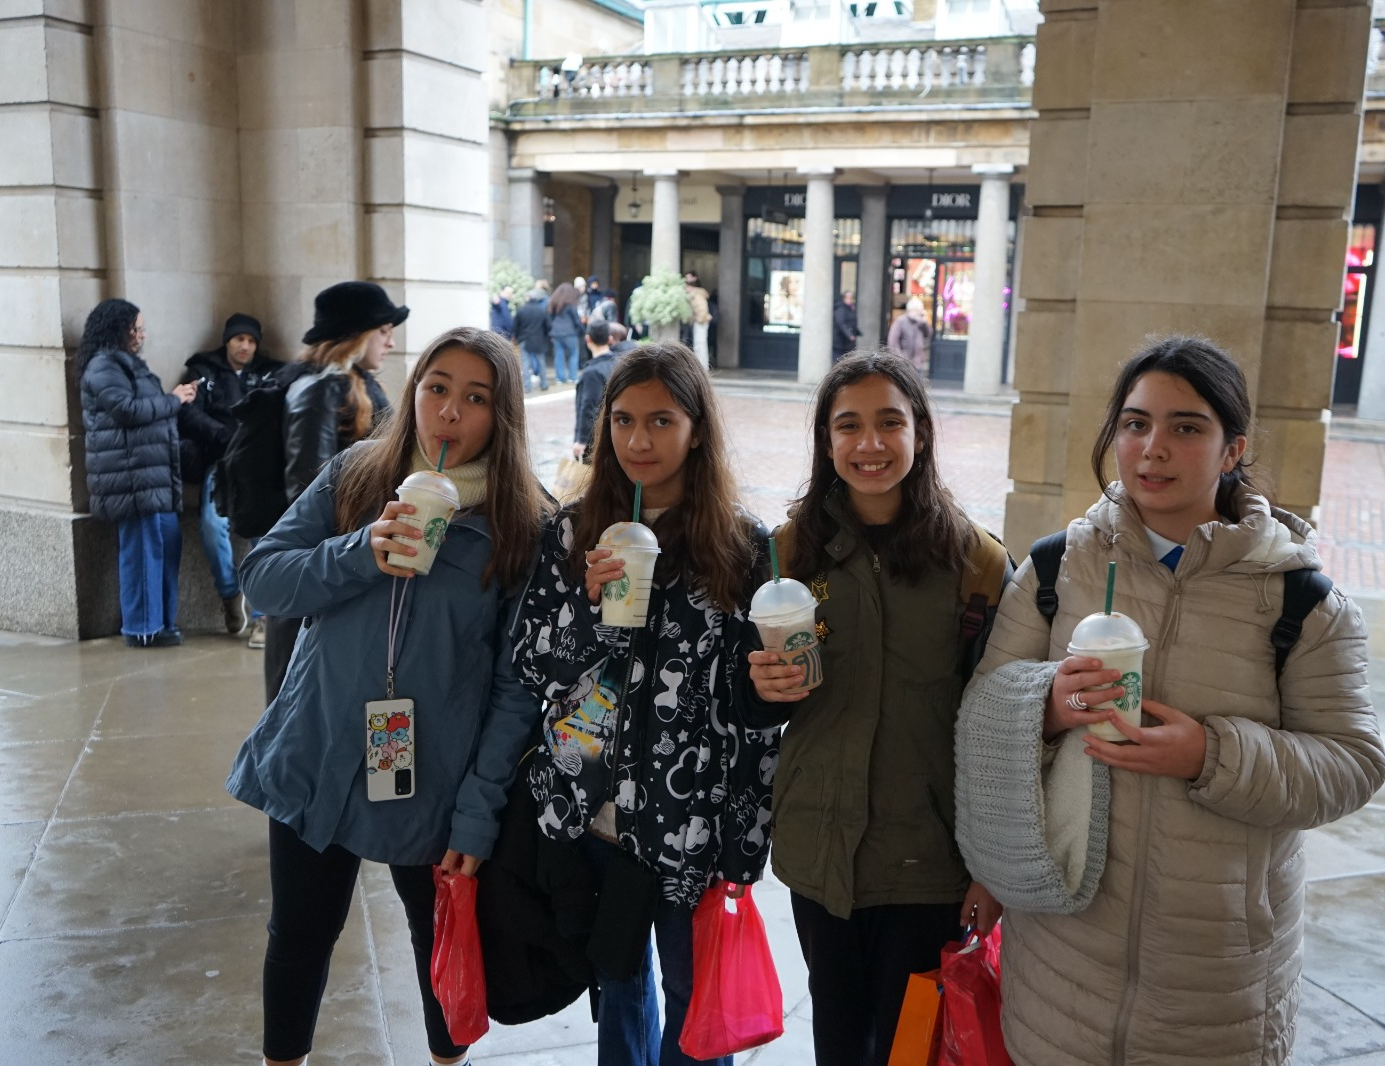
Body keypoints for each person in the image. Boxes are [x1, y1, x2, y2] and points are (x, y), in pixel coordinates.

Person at [971, 336, 1385, 1065]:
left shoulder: (1302, 601)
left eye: (1186, 427)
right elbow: (985, 708)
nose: (1152, 448)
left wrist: (1209, 755)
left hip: (1217, 980)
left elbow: (1352, 764)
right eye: (1135, 424)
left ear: (1233, 450)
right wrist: (1048, 706)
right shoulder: (1055, 569)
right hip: (1062, 960)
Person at [228, 326, 549, 1066]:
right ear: (414, 392)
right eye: (437, 388)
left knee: (438, 939)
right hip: (319, 746)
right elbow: (265, 579)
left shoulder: (521, 524)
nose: (449, 411)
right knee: (299, 935)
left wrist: (477, 813)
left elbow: (516, 689)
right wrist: (359, 551)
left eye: (476, 398)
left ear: (502, 416)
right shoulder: (358, 475)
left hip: (432, 775)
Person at [514, 342, 778, 1066]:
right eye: (623, 420)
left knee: (693, 998)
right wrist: (587, 609)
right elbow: (532, 663)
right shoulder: (571, 532)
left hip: (692, 823)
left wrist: (746, 837)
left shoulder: (741, 545)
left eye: (661, 420)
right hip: (593, 815)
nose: (638, 440)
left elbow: (754, 714)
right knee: (619, 984)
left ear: (697, 430)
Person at [745, 350, 1007, 1066]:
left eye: (890, 422)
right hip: (819, 844)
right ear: (826, 441)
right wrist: (760, 689)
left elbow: (999, 734)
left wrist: (992, 868)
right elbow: (751, 704)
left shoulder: (979, 565)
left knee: (907, 1045)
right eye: (848, 425)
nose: (870, 444)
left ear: (920, 431)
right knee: (837, 1035)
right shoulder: (787, 555)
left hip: (929, 856)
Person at [263, 281, 403, 703]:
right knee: (295, 696)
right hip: (321, 567)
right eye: (383, 331)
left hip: (342, 561)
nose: (391, 342)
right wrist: (343, 558)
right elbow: (306, 489)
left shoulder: (352, 383)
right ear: (356, 334)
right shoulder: (322, 388)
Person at [77, 298, 193, 647]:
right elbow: (126, 410)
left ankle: (163, 622)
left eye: (141, 329)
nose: (141, 335)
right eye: (135, 329)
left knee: (166, 545)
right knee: (143, 552)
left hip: (150, 475)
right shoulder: (103, 365)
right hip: (130, 478)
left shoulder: (126, 364)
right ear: (118, 329)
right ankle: (142, 629)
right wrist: (174, 400)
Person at [178, 312, 279, 637]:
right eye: (239, 339)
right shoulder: (203, 371)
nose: (245, 346)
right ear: (227, 341)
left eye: (251, 340)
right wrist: (225, 436)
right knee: (211, 525)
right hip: (221, 463)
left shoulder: (268, 372)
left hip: (258, 467)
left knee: (264, 534)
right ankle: (229, 594)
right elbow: (189, 413)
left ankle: (264, 615)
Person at [572, 318, 632, 462]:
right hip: (617, 431)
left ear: (588, 339)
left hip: (597, 439)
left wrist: (581, 439)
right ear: (609, 339)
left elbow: (589, 407)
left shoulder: (591, 372)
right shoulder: (619, 363)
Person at [514, 286, 552, 392]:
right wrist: (545, 335)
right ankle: (544, 384)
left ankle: (527, 386)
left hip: (524, 339)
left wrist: (517, 337)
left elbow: (515, 326)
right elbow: (548, 326)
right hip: (539, 340)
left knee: (525, 363)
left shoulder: (521, 309)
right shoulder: (541, 310)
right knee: (541, 362)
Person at [548, 281, 586, 386]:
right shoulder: (571, 304)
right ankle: (572, 377)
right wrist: (583, 330)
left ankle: (560, 378)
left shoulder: (554, 303)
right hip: (570, 333)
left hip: (556, 333)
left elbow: (550, 319)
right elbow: (576, 320)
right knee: (573, 354)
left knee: (559, 355)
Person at [886, 297, 932, 374]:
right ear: (910, 310)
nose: (919, 312)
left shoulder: (920, 321)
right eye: (917, 310)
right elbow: (893, 342)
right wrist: (900, 358)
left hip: (917, 363)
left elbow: (928, 334)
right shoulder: (900, 321)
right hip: (904, 363)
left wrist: (925, 322)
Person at [682, 273, 712, 366]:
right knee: (699, 345)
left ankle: (702, 366)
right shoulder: (695, 295)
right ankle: (702, 366)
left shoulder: (697, 295)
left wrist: (698, 320)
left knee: (700, 345)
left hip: (701, 322)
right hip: (699, 321)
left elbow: (702, 309)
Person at [831, 291, 860, 362]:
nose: (850, 299)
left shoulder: (851, 308)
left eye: (851, 298)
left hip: (847, 342)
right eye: (848, 297)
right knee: (838, 359)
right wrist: (849, 335)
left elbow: (851, 322)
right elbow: (841, 323)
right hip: (840, 340)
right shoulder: (841, 308)